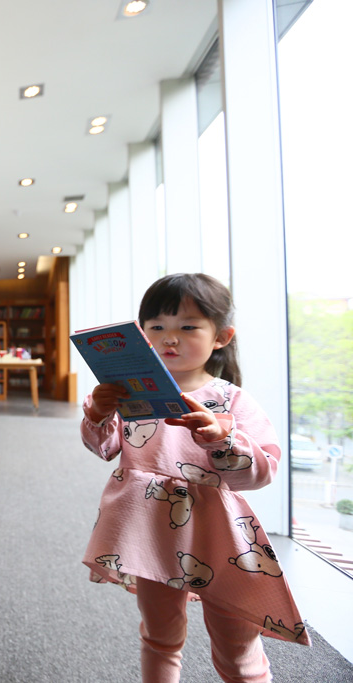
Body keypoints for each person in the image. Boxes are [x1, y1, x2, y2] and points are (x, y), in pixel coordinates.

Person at [80, 273, 309, 683]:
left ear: (221, 336)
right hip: (150, 528)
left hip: (217, 533)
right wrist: (98, 412)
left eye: (188, 326)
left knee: (238, 641)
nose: (170, 338)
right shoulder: (129, 392)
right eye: (157, 327)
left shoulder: (231, 400)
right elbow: (106, 448)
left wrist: (224, 438)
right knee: (159, 636)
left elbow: (262, 471)